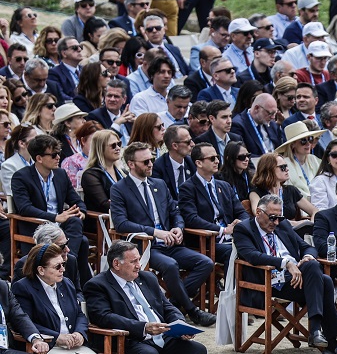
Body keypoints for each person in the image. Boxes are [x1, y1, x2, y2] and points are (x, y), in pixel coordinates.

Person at [111, 141, 217, 325]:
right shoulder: (119, 189)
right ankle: (192, 311)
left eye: (152, 160)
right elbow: (121, 224)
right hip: (144, 247)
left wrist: (178, 227)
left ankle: (172, 305)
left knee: (205, 262)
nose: (151, 164)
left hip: (170, 242)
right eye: (145, 162)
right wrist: (155, 233)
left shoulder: (159, 184)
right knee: (170, 266)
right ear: (131, 164)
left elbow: (175, 211)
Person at [235, 194, 337, 354]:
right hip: (269, 281)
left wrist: (308, 257)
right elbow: (252, 256)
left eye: (279, 217)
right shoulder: (244, 229)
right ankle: (330, 343)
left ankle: (317, 332)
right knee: (325, 281)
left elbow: (306, 247)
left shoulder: (282, 225)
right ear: (258, 212)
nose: (276, 222)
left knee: (317, 270)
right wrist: (285, 263)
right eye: (272, 217)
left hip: (297, 279)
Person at [11, 134, 92, 289]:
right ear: (39, 158)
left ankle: (70, 271)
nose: (58, 158)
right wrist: (55, 217)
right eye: (54, 155)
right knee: (83, 241)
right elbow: (24, 208)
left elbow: (77, 200)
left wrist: (81, 211)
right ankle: (75, 278)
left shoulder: (60, 174)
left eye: (59, 154)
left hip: (60, 229)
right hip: (38, 227)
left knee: (75, 221)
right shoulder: (21, 177)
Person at [179, 141, 247, 269]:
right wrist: (222, 230)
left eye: (217, 157)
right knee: (234, 252)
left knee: (254, 248)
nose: (216, 161)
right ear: (198, 163)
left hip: (230, 236)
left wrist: (240, 223)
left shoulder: (224, 185)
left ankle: (251, 288)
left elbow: (241, 212)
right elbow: (191, 219)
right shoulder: (187, 188)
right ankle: (230, 289)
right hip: (206, 240)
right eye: (212, 158)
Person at [249, 151, 317, 230]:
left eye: (286, 166)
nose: (287, 169)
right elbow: (260, 214)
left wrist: (312, 224)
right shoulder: (255, 193)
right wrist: (293, 223)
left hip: (294, 234)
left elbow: (315, 211)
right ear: (269, 169)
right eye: (283, 167)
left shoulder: (291, 190)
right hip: (271, 233)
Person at [81, 127, 125, 212]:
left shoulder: (123, 172)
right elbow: (104, 205)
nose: (118, 148)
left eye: (119, 144)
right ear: (100, 149)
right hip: (104, 222)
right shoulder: (90, 175)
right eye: (113, 145)